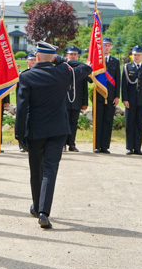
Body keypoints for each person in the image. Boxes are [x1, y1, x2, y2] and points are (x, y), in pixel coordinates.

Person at [14, 41, 91, 229]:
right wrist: (62, 59)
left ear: (37, 57)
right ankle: (43, 211)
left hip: (35, 130)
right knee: (50, 170)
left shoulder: (27, 77)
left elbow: (22, 110)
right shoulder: (63, 73)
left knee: (36, 170)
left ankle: (37, 206)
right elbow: (86, 68)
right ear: (53, 58)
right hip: (58, 130)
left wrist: (19, 135)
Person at [121, 45, 142, 155]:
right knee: (129, 124)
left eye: (138, 55)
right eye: (135, 55)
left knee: (139, 124)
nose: (136, 57)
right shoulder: (127, 67)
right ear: (132, 55)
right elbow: (124, 85)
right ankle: (129, 147)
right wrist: (124, 99)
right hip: (130, 101)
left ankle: (138, 148)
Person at [94, 37, 119, 154]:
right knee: (98, 120)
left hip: (110, 96)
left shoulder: (115, 61)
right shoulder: (97, 61)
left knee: (108, 121)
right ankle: (97, 145)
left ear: (111, 47)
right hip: (99, 95)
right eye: (104, 45)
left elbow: (117, 80)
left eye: (108, 45)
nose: (106, 47)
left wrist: (117, 96)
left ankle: (105, 146)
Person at [64, 46, 88, 152]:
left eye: (75, 54)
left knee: (74, 123)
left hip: (77, 100)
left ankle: (72, 144)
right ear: (67, 56)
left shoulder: (81, 69)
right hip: (64, 101)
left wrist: (85, 102)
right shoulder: (62, 67)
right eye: (71, 54)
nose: (73, 56)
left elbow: (85, 87)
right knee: (63, 123)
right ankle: (63, 143)